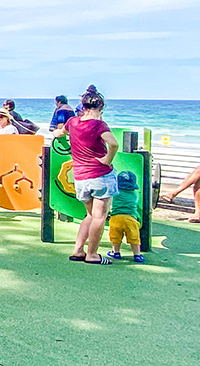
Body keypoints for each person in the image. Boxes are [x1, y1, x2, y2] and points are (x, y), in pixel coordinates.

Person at [66, 85, 117, 265]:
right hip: (100, 175)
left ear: (83, 106)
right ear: (101, 108)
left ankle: (78, 250)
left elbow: (61, 132)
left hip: (81, 177)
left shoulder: (72, 122)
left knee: (89, 215)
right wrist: (107, 160)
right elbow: (113, 144)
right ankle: (92, 254)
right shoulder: (99, 125)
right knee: (99, 217)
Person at [106, 170, 145, 263]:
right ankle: (137, 255)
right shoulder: (134, 195)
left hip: (116, 217)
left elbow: (109, 203)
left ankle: (116, 252)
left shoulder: (115, 193)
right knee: (134, 238)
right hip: (130, 218)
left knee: (115, 237)